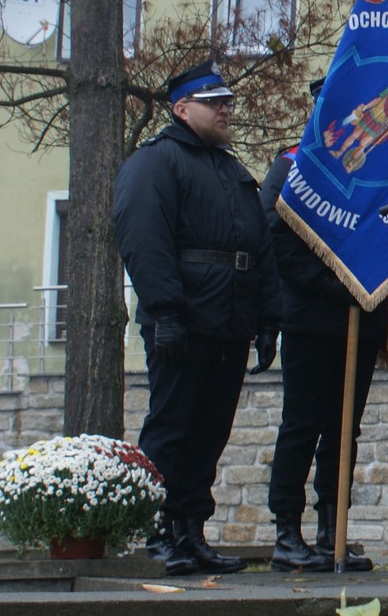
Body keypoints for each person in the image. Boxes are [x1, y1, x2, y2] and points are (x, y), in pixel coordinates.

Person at [114, 61, 278, 576]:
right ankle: (158, 533)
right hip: (183, 322)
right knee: (171, 429)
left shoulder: (233, 172)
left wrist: (268, 320)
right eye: (214, 101)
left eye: (226, 100)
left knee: (210, 432)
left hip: (229, 322)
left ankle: (190, 529)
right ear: (182, 108)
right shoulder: (155, 164)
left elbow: (260, 248)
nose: (225, 108)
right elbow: (144, 242)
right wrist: (164, 312)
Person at [258, 81, 388, 574]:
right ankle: (286, 532)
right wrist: (335, 285)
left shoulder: (373, 171)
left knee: (344, 432)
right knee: (302, 425)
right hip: (312, 317)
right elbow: (277, 236)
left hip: (361, 318)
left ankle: (331, 532)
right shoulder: (293, 165)